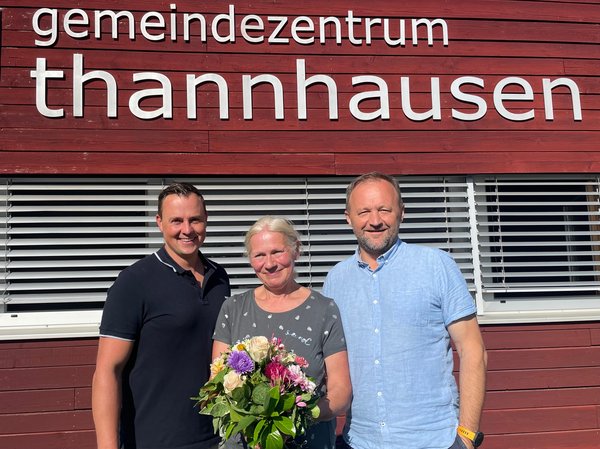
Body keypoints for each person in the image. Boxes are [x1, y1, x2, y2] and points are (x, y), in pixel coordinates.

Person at [323, 172, 487, 449]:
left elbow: (473, 351)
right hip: (360, 441)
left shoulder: (437, 266)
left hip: (434, 440)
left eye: (384, 209)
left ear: (402, 212)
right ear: (348, 218)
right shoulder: (335, 280)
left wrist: (467, 437)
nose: (375, 220)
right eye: (364, 212)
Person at [92, 182, 231, 449]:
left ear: (206, 219)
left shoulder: (219, 278)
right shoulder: (134, 282)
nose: (187, 230)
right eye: (176, 221)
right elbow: (107, 371)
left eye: (195, 219)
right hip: (153, 439)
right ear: (159, 222)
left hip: (215, 436)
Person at [213, 216, 352, 449]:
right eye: (259, 255)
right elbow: (217, 383)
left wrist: (290, 419)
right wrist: (253, 421)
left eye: (277, 252)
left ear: (296, 250)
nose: (269, 264)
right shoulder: (233, 309)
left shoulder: (324, 310)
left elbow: (340, 393)